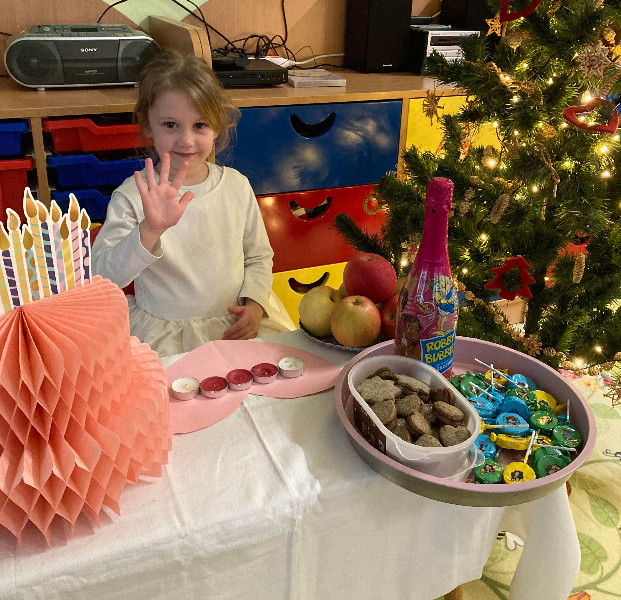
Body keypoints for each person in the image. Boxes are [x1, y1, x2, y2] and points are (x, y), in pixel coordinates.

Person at [92, 50, 295, 356]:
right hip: (164, 335)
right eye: (170, 124)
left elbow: (258, 257)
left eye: (199, 125)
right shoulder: (134, 195)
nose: (186, 140)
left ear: (217, 126)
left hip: (235, 324)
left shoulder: (236, 186)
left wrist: (255, 306)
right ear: (148, 127)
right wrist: (149, 230)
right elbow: (103, 276)